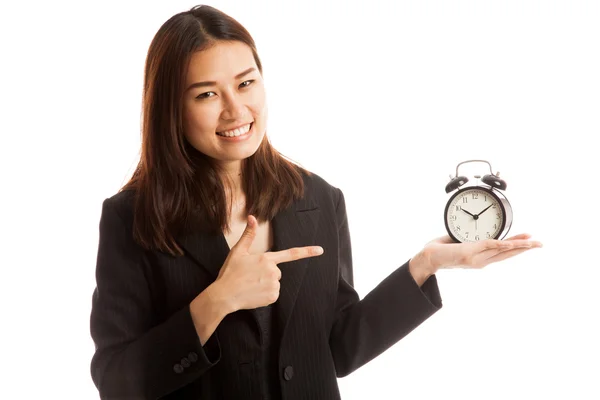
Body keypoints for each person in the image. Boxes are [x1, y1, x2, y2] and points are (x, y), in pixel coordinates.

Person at [89, 5, 542, 400]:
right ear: (171, 107)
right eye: (207, 94)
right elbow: (116, 383)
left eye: (246, 84)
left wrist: (425, 265)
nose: (235, 110)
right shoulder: (131, 217)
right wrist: (216, 302)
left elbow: (338, 350)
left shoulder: (317, 198)